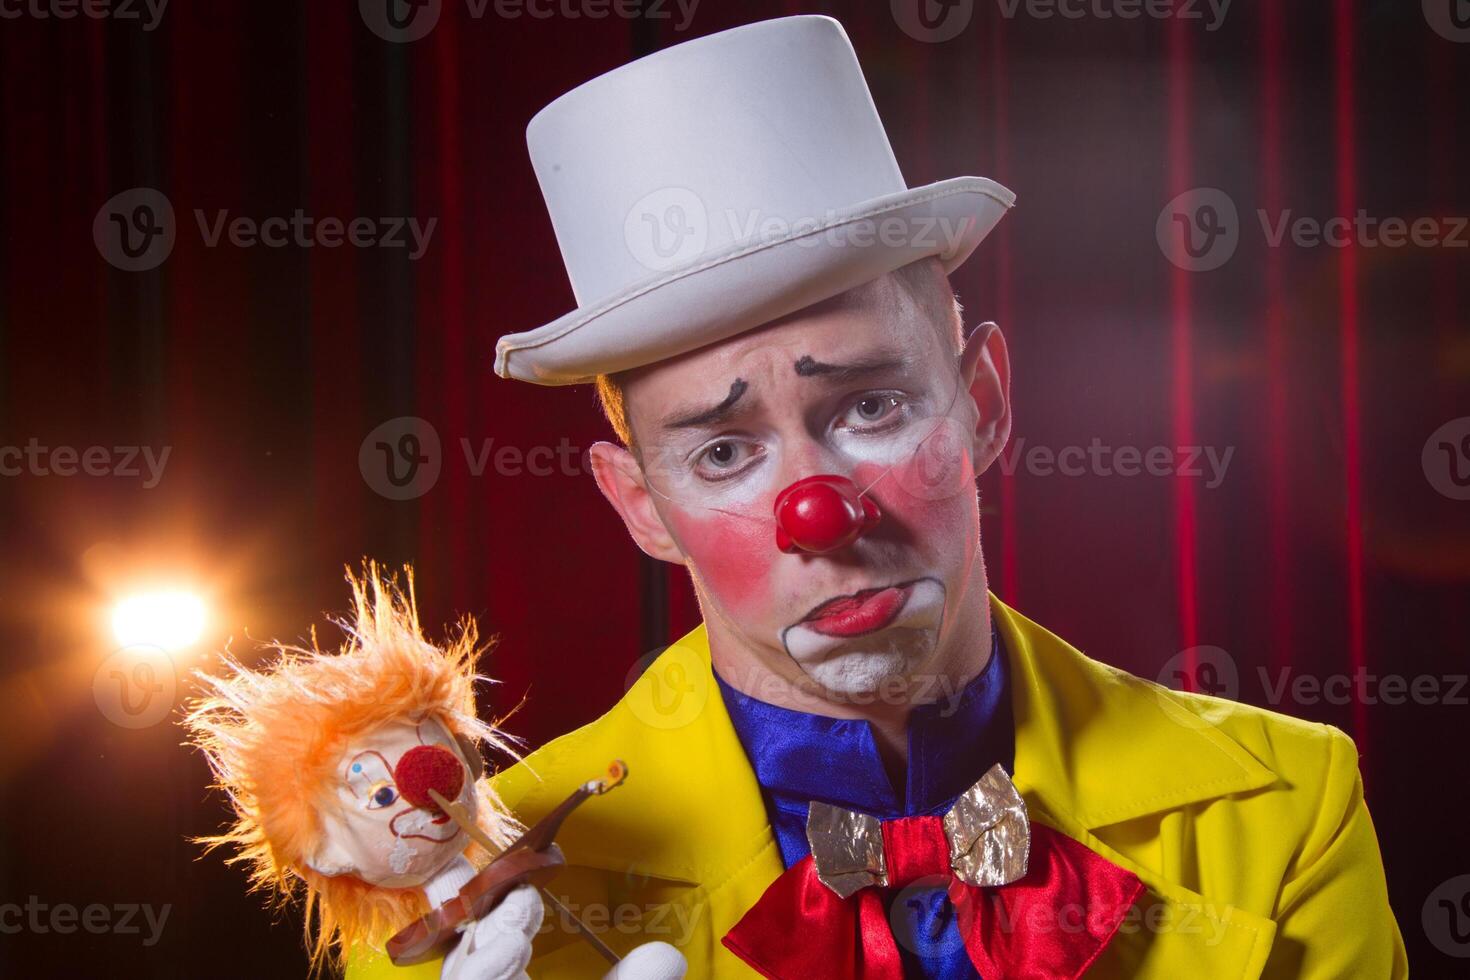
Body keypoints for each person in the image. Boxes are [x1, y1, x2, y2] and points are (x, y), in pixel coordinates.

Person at [351, 14, 1405, 979]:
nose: (821, 513)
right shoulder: (467, 900)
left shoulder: (1284, 808)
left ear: (982, 400)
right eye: (723, 451)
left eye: (870, 404)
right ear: (640, 505)